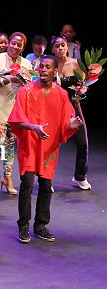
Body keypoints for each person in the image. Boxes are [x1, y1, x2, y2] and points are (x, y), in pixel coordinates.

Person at [8, 55, 83, 243]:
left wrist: (72, 123)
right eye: (40, 66)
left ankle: (40, 225)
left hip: (49, 147)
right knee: (27, 184)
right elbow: (16, 119)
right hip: (30, 145)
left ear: (54, 71)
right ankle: (23, 225)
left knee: (46, 186)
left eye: (47, 67)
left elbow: (67, 120)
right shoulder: (25, 91)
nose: (43, 69)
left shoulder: (62, 94)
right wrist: (34, 127)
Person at [0, 32, 32, 197]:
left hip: (15, 111)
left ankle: (7, 178)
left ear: (22, 48)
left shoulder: (26, 64)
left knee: (10, 147)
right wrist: (9, 79)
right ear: (9, 44)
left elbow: (29, 88)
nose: (15, 47)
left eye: (19, 45)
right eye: (13, 43)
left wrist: (25, 81)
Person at [51, 36, 91, 190]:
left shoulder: (75, 64)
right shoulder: (50, 65)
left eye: (63, 45)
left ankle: (80, 176)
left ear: (67, 47)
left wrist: (83, 89)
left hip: (73, 105)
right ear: (52, 49)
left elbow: (84, 85)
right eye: (57, 46)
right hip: (55, 108)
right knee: (52, 145)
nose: (60, 48)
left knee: (82, 143)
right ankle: (47, 179)